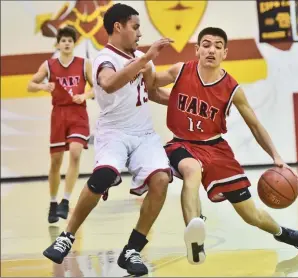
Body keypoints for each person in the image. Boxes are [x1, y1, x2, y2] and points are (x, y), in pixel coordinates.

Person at [144, 27, 298, 265]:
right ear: (197, 50)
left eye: (217, 46)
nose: (211, 50)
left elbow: (255, 126)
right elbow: (150, 87)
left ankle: (285, 234)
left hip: (216, 150)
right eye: (206, 44)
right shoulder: (180, 70)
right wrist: (145, 64)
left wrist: (276, 156)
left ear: (225, 53)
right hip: (182, 143)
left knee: (251, 215)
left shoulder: (232, 89)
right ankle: (195, 236)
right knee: (191, 170)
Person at [42, 4, 173, 276]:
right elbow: (109, 83)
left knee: (161, 180)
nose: (139, 33)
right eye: (135, 27)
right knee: (103, 176)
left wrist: (188, 104)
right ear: (118, 27)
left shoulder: (142, 58)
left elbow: (153, 91)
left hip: (144, 134)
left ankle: (133, 250)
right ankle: (66, 237)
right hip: (114, 132)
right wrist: (144, 58)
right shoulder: (105, 58)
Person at [27, 26, 94, 223]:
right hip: (58, 114)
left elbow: (96, 88)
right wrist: (42, 86)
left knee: (75, 152)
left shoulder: (84, 64)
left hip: (78, 114)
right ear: (57, 44)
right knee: (56, 162)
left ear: (74, 44)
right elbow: (30, 85)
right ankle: (53, 202)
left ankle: (66, 201)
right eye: (63, 40)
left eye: (70, 40)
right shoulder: (49, 65)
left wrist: (85, 95)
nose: (66, 43)